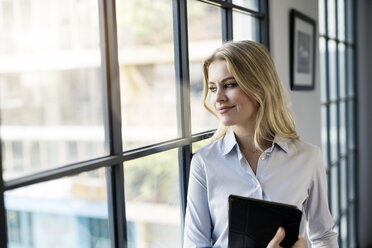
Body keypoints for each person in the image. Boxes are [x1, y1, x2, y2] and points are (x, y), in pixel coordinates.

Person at [183, 40, 338, 247]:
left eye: (229, 85)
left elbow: (324, 235)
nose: (218, 97)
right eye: (212, 88)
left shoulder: (308, 158)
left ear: (259, 86)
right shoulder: (204, 163)